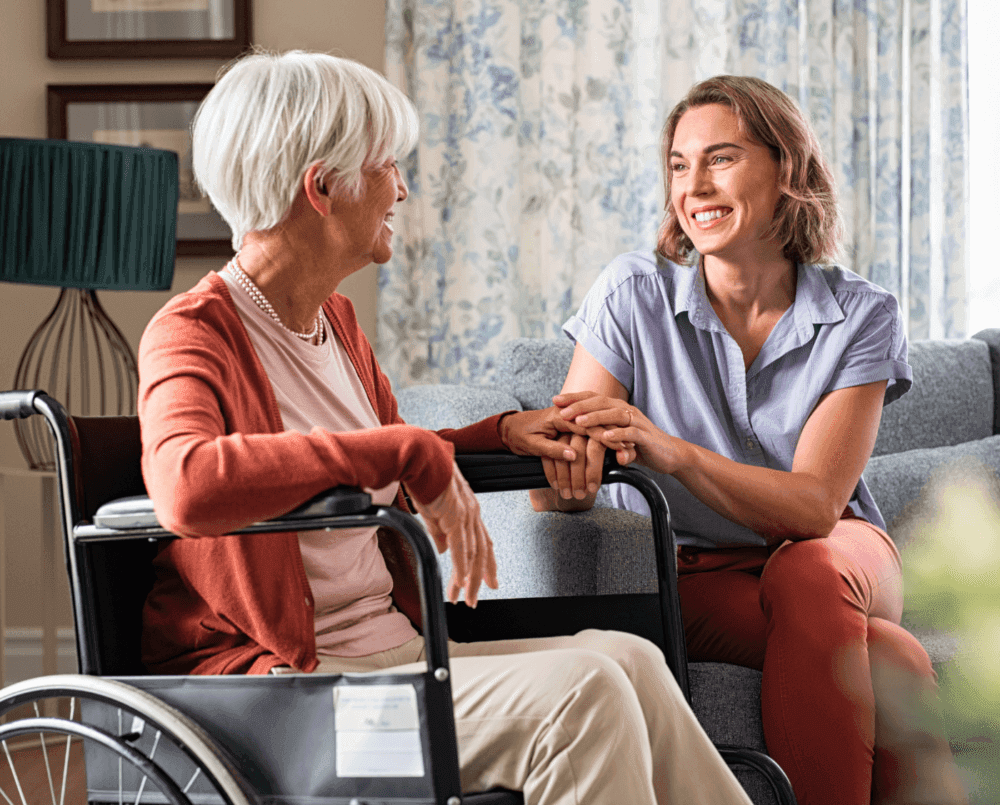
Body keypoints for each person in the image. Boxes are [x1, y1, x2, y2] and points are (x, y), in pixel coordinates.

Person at [137, 49, 755, 805]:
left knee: (629, 658)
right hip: (291, 706)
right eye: (387, 165)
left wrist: (499, 434)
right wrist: (406, 447)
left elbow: (377, 461)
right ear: (322, 187)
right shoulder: (193, 332)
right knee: (584, 693)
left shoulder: (334, 322)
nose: (401, 187)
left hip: (393, 659)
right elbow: (186, 486)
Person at [531, 76, 968, 805]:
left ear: (786, 168)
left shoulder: (861, 314)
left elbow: (814, 508)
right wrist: (569, 472)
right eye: (678, 164)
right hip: (698, 571)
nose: (693, 184)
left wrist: (668, 449)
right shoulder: (631, 295)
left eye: (721, 158)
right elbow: (565, 463)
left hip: (842, 553)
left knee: (810, 568)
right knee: (892, 655)